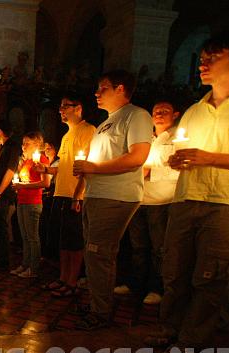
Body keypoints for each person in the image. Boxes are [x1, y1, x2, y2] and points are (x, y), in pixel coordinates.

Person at [147, 30, 229, 352]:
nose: (202, 64)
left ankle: (193, 341)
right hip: (185, 197)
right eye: (202, 59)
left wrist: (210, 158)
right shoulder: (195, 109)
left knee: (210, 275)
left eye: (212, 58)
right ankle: (170, 329)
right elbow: (187, 151)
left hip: (226, 202)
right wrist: (180, 160)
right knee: (175, 271)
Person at [72, 70, 152, 330]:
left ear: (120, 89)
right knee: (94, 253)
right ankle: (98, 303)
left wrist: (93, 169)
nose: (96, 93)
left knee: (100, 253)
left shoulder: (136, 115)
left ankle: (101, 312)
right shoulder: (107, 121)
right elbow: (98, 160)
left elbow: (136, 157)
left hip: (116, 195)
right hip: (97, 194)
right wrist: (85, 179)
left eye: (102, 88)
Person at [115, 100, 180, 305]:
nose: (159, 114)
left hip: (162, 199)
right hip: (140, 198)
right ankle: (136, 283)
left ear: (175, 114)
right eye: (156, 111)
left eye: (164, 111)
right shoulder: (146, 139)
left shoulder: (179, 138)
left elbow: (179, 170)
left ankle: (156, 288)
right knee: (138, 245)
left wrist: (152, 170)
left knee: (159, 248)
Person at [36, 93, 95, 297]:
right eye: (60, 107)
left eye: (65, 106)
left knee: (74, 241)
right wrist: (45, 170)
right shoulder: (66, 135)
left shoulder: (88, 130)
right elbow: (63, 166)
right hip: (60, 192)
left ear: (78, 108)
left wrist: (78, 195)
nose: (61, 110)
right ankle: (63, 278)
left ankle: (72, 281)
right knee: (63, 240)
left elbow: (86, 165)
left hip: (74, 194)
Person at [10, 132, 51, 278]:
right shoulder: (27, 161)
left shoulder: (41, 159)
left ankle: (34, 269)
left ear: (37, 144)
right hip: (22, 201)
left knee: (32, 237)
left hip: (33, 202)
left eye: (27, 143)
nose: (23, 146)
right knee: (25, 236)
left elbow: (45, 183)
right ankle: (25, 264)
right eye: (23, 143)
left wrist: (21, 185)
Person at [0, 120, 20, 268]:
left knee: (1, 225)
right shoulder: (3, 147)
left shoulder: (12, 147)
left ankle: (3, 258)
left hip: (2, 193)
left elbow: (10, 170)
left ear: (0, 131)